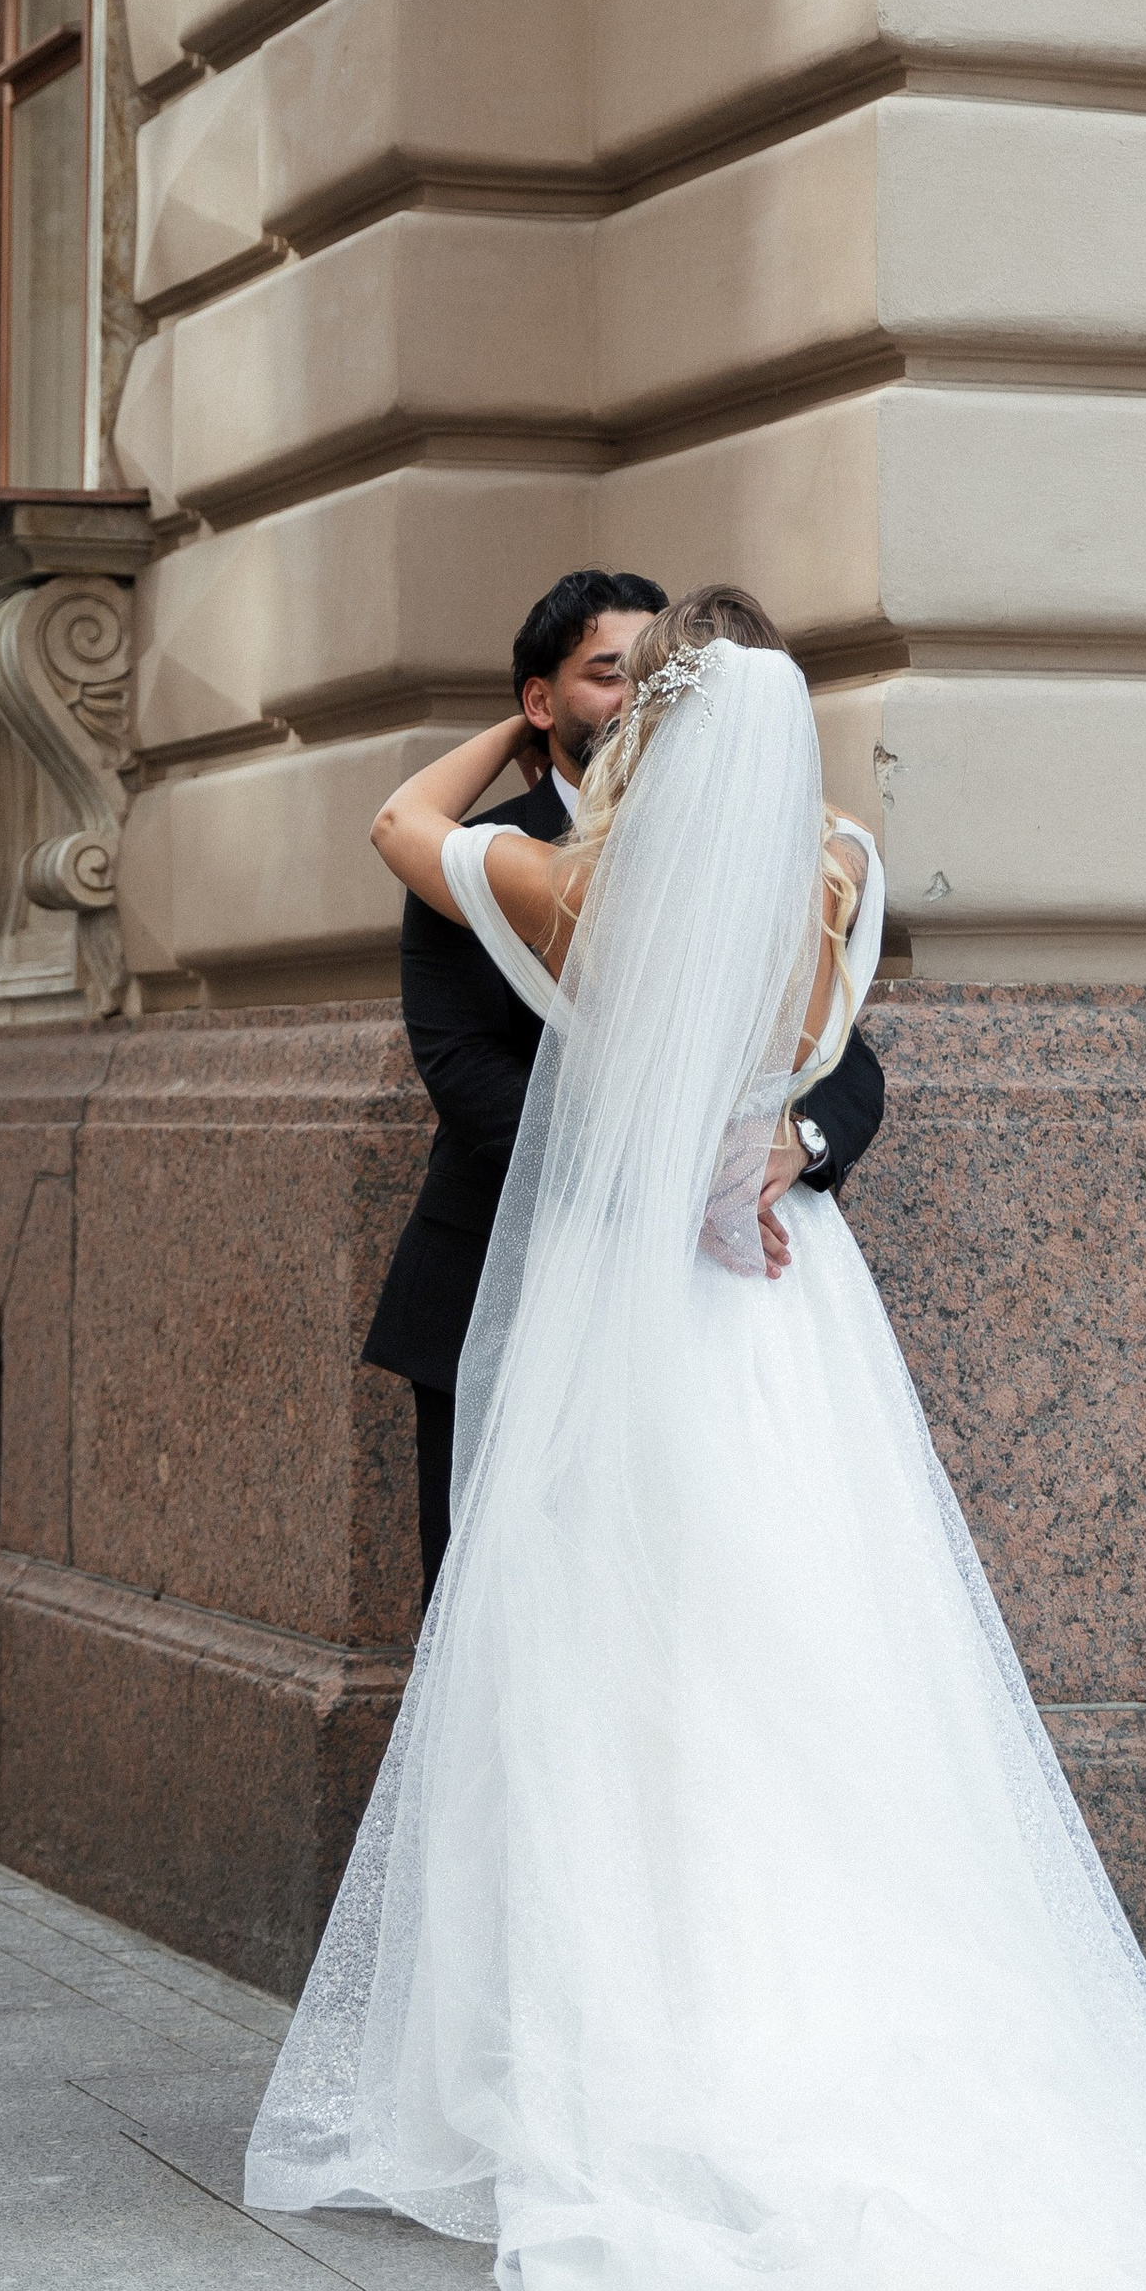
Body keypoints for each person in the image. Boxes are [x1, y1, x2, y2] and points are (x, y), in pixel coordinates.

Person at [247, 587, 1146, 2291]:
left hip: (640, 1321)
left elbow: (399, 828)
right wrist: (774, 1135)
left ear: (640, 737)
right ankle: (864, 2034)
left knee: (623, 1682)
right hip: (797, 1327)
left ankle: (626, 2055)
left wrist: (521, 741)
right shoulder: (834, 880)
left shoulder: (575, 891)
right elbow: (823, 1061)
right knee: (825, 1671)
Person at [364, 570, 884, 1598]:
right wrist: (690, 1178)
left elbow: (398, 821)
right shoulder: (834, 870)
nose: (615, 700)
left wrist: (786, 1145)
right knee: (768, 1571)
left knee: (602, 1587)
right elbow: (469, 1074)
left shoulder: (553, 884)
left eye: (632, 683)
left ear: (651, 717)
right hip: (756, 1269)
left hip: (659, 1267)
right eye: (598, 674)